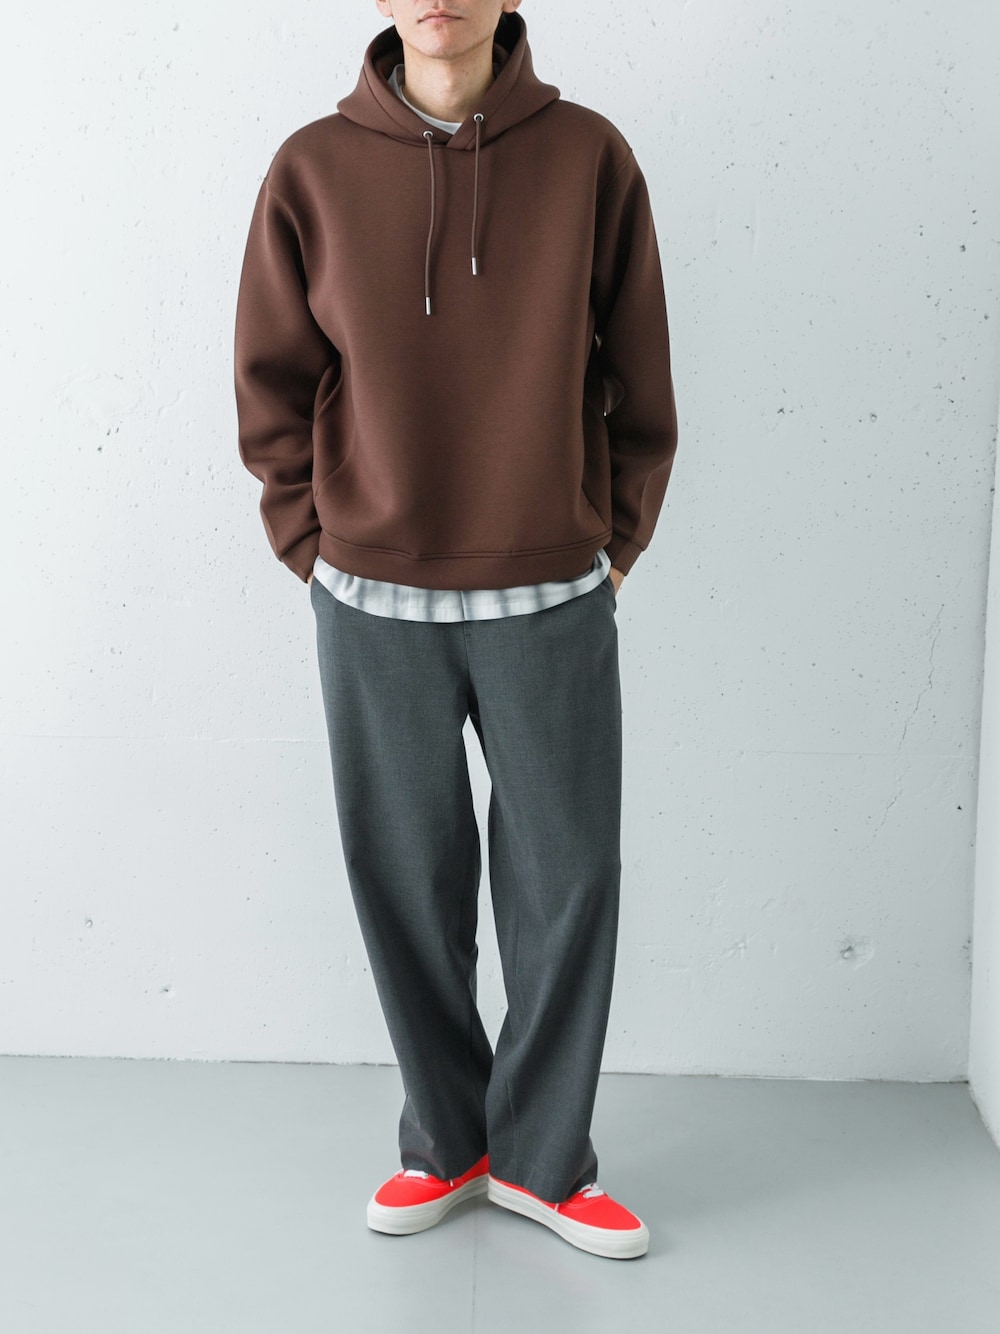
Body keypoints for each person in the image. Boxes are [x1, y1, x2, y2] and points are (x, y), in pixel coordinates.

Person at [233, 0, 678, 1262]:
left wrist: (614, 542)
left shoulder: (589, 156)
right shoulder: (311, 169)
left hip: (549, 592)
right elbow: (271, 382)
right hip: (372, 599)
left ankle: (544, 1159)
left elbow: (640, 371)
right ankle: (447, 1140)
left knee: (569, 880)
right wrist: (310, 541)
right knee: (405, 881)